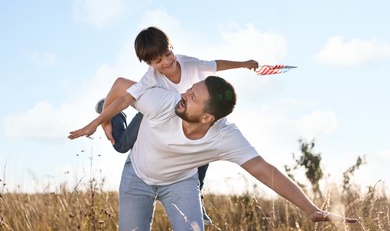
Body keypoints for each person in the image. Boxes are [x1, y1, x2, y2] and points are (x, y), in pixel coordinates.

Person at [69, 76, 358, 230]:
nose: (183, 95)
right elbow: (121, 84)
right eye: (189, 90)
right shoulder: (164, 100)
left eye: (192, 97)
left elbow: (264, 170)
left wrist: (311, 209)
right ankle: (116, 118)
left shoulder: (225, 137)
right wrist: (104, 118)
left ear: (208, 118)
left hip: (180, 183)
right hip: (138, 175)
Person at [94, 26, 259, 224]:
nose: (166, 62)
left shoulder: (190, 64)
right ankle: (115, 114)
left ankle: (197, 193)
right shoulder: (151, 78)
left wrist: (243, 64)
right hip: (153, 117)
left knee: (202, 143)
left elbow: (217, 64)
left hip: (186, 120)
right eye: (158, 61)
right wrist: (105, 117)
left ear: (171, 47)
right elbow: (122, 87)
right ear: (149, 63)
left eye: (168, 54)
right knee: (121, 146)